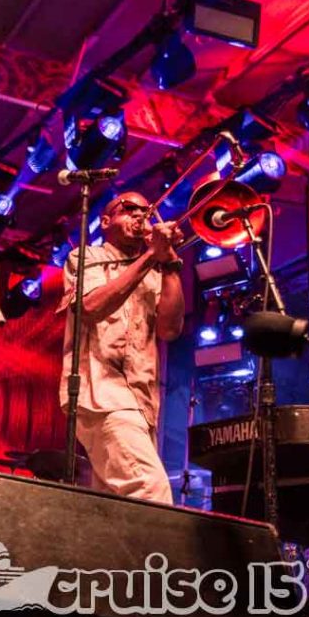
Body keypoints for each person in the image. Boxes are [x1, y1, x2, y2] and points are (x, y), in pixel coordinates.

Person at [59, 191, 185, 504]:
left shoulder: (155, 271)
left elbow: (170, 330)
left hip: (143, 404)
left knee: (117, 509)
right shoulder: (86, 257)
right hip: (101, 396)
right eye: (128, 209)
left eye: (146, 210)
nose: (140, 215)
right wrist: (151, 255)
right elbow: (91, 307)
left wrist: (169, 263)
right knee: (151, 490)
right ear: (105, 221)